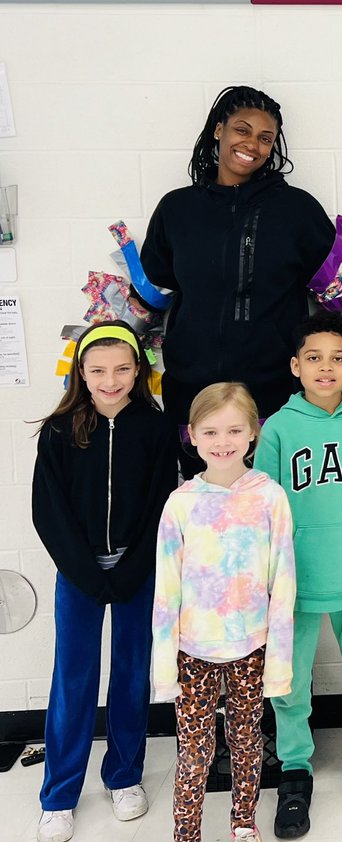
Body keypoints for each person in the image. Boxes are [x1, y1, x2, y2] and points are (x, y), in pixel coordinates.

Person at [31, 321, 178, 842]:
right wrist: (88, 574)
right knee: (73, 678)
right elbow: (48, 511)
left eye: (121, 369)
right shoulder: (60, 428)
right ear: (82, 373)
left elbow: (164, 503)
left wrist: (135, 568)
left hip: (139, 571)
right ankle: (59, 795)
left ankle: (124, 776)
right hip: (79, 575)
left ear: (138, 370)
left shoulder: (156, 429)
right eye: (98, 370)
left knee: (132, 673)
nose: (110, 380)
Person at [141, 85, 335, 474]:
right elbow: (155, 285)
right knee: (205, 508)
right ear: (219, 130)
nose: (253, 145)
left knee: (272, 505)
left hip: (275, 394)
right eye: (242, 130)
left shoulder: (297, 209)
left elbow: (336, 290)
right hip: (192, 393)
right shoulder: (177, 209)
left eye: (266, 138)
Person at [255, 313, 342, 838]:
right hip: (296, 585)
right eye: (314, 358)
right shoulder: (279, 427)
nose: (326, 368)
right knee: (289, 685)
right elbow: (263, 513)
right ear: (295, 366)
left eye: (338, 358)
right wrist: (274, 586)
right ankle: (295, 769)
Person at [151, 382, 296, 842]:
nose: (223, 441)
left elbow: (283, 582)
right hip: (193, 651)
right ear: (192, 435)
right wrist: (163, 668)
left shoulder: (270, 497)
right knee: (195, 750)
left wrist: (279, 661)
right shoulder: (181, 504)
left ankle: (242, 822)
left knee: (247, 740)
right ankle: (186, 832)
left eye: (234, 430)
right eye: (211, 432)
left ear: (253, 433)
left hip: (251, 646)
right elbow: (166, 592)